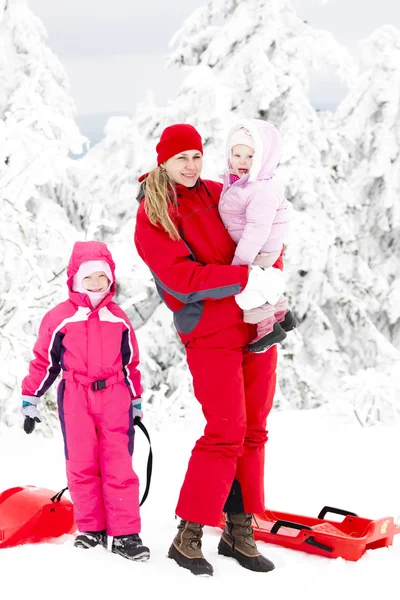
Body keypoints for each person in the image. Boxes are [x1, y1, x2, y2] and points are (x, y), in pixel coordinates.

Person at [134, 124, 285, 576]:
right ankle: (189, 534)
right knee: (226, 429)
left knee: (254, 429)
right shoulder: (154, 213)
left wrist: (272, 289)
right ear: (163, 160)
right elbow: (182, 279)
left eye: (197, 156)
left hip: (253, 323)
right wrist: (244, 279)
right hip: (209, 331)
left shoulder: (218, 191)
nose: (191, 165)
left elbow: (265, 226)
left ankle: (240, 528)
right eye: (181, 158)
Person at [20, 240, 150, 562]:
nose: (95, 284)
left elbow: (130, 361)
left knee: (118, 464)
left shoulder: (119, 318)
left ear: (110, 280)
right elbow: (44, 362)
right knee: (81, 463)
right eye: (88, 277)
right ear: (75, 278)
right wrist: (31, 397)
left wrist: (135, 398)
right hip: (76, 396)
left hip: (115, 396)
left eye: (101, 278)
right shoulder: (60, 318)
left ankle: (125, 535)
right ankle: (91, 529)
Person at [219, 119, 297, 353]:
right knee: (263, 280)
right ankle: (282, 314)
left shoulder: (260, 189)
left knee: (250, 286)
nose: (242, 162)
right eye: (237, 154)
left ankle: (267, 328)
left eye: (250, 157)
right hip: (262, 245)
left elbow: (257, 229)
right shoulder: (245, 182)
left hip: (259, 247)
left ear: (262, 158)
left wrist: (241, 263)